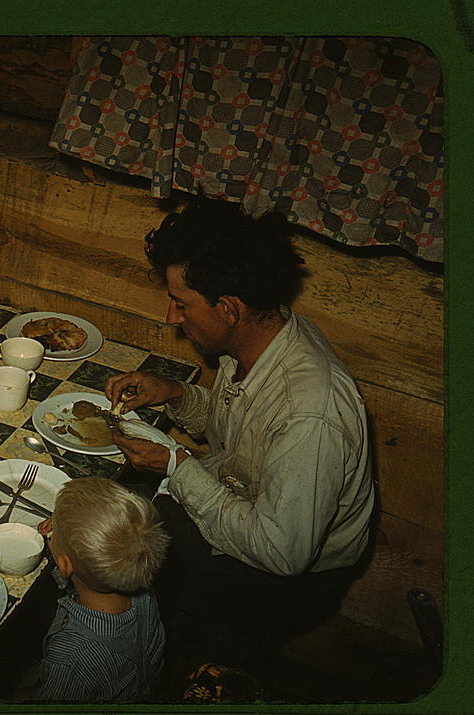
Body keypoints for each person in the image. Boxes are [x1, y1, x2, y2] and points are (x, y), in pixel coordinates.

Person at [104, 197, 375, 668]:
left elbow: (280, 552)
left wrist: (176, 465)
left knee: (118, 549)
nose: (172, 317)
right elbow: (243, 431)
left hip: (288, 577)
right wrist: (173, 394)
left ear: (228, 308)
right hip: (247, 505)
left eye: (180, 303)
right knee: (119, 501)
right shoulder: (263, 335)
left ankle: (147, 666)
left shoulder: (311, 413)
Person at [33, 477, 169, 703]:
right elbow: (82, 576)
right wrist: (63, 540)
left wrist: (62, 544)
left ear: (65, 565)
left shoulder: (69, 659)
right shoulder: (143, 595)